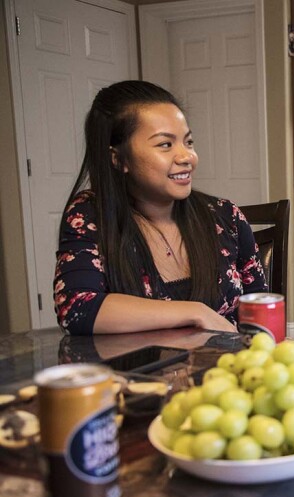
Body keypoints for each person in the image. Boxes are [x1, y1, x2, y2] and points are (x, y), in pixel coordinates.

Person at [54, 80, 268, 335]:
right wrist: (195, 312)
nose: (187, 157)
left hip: (224, 372)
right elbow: (77, 308)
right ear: (118, 158)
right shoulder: (91, 215)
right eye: (165, 145)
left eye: (188, 142)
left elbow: (261, 313)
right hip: (138, 374)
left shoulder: (225, 217)